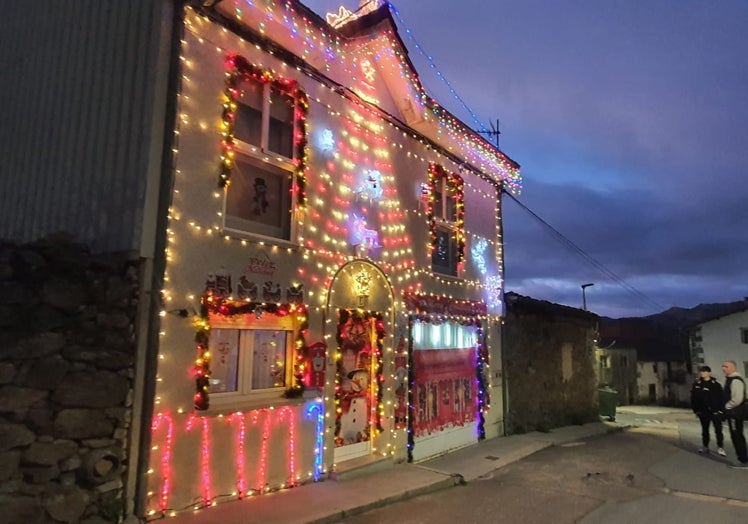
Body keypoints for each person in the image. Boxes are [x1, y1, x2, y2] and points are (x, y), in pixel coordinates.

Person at [690, 365, 725, 455]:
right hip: (703, 411)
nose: (702, 373)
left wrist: (721, 411)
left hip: (715, 411)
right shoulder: (697, 384)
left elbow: (721, 398)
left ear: (709, 373)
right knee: (705, 430)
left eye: (704, 371)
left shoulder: (715, 385)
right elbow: (693, 398)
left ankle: (720, 447)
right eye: (701, 371)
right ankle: (705, 446)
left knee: (718, 430)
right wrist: (696, 410)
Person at [721, 360, 748, 468]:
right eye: (723, 366)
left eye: (726, 366)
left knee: (737, 436)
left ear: (733, 368)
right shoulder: (730, 379)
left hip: (735, 414)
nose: (723, 368)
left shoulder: (735, 381)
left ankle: (743, 460)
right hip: (734, 413)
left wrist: (727, 406)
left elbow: (737, 399)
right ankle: (743, 459)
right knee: (736, 435)